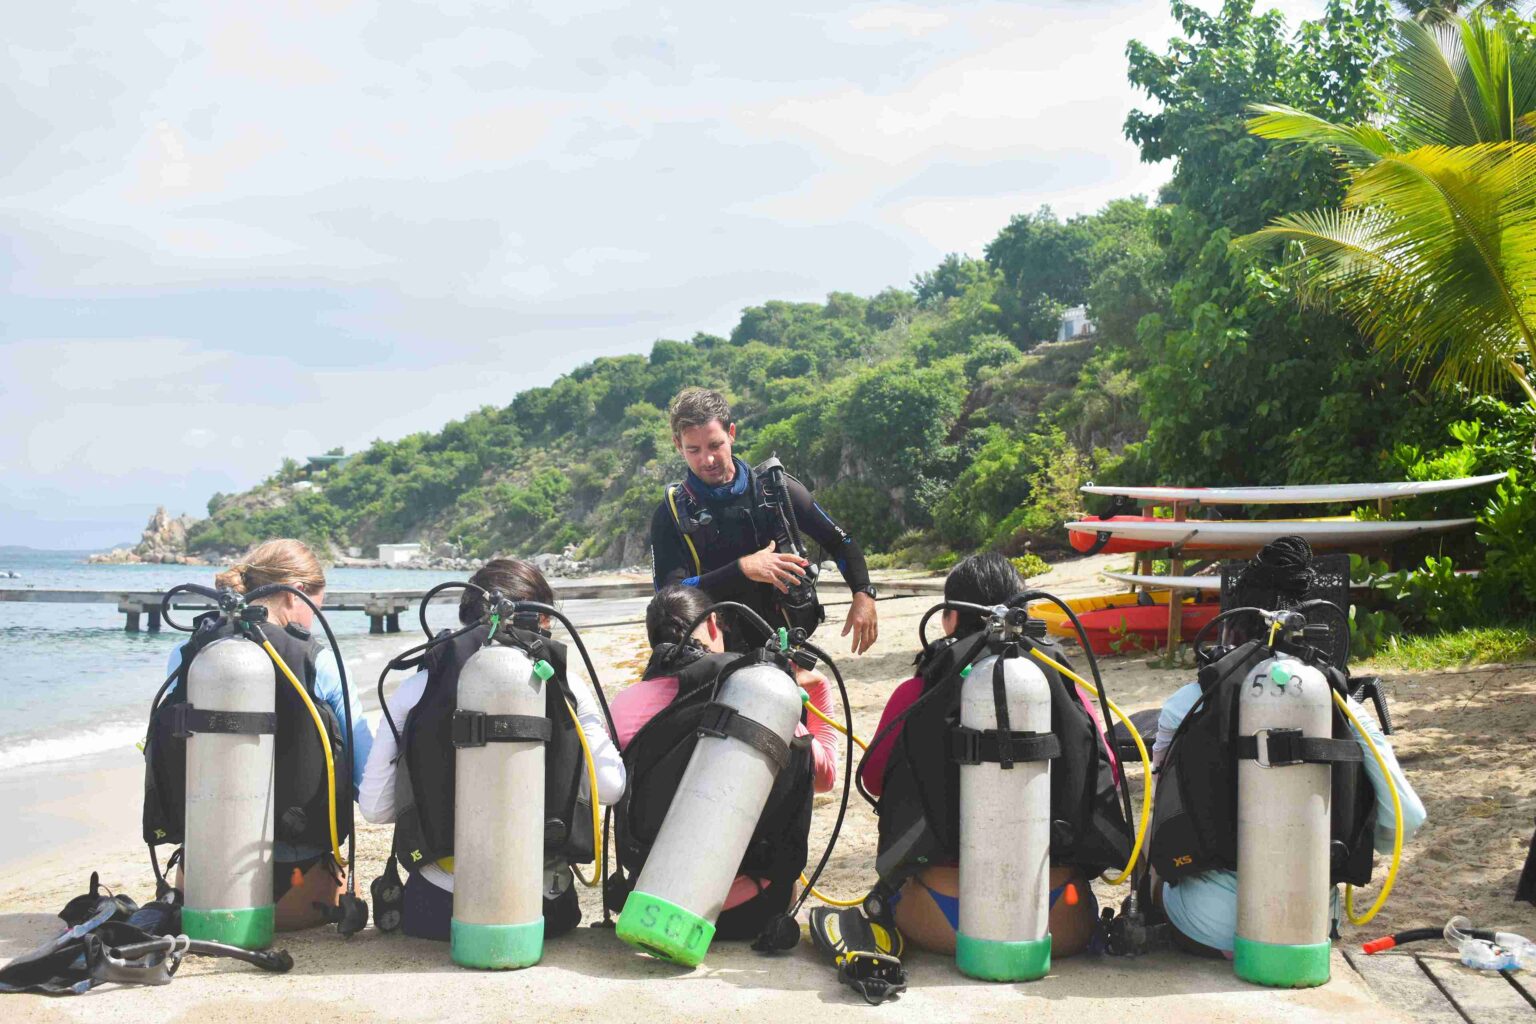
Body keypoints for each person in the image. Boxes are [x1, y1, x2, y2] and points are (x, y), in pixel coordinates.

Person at [1150, 536, 1428, 958]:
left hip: (1213, 925)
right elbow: (1408, 816)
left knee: (1153, 856)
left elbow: (1164, 814)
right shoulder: (1341, 703)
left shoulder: (1188, 704)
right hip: (1309, 925)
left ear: (1233, 624)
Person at [857, 553, 1127, 958]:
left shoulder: (917, 692)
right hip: (1057, 917)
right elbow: (1108, 774)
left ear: (950, 617)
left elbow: (873, 778)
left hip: (947, 916)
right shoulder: (1058, 682)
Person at [359, 558, 624, 941]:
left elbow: (375, 807)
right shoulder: (566, 685)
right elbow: (611, 786)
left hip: (438, 906)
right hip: (542, 906)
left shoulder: (418, 687)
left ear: (465, 618)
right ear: (543, 620)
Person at [143, 538, 373, 931]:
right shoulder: (320, 661)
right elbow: (366, 781)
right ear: (293, 595)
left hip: (200, 885)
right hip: (298, 894)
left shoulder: (188, 654)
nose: (315, 621)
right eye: (316, 606)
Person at [606, 584, 838, 938]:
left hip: (652, 900)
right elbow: (823, 777)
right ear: (714, 624)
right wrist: (817, 693)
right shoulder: (759, 694)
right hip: (751, 911)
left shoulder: (624, 704)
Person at [649, 386, 878, 654]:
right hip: (716, 657)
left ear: (731, 433)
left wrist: (863, 593)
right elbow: (669, 596)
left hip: (784, 646)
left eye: (715, 445)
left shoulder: (776, 490)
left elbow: (840, 541)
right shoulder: (671, 515)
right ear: (678, 445)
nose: (707, 459)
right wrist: (743, 569)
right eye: (694, 450)